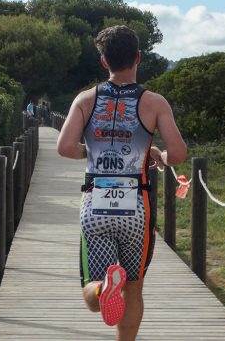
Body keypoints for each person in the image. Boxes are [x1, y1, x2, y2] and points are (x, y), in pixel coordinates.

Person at [57, 25, 186, 340]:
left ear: (104, 62)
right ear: (138, 58)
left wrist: (92, 151)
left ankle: (102, 288)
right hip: (137, 209)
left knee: (92, 288)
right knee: (134, 289)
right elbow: (178, 154)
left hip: (95, 205)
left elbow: (64, 147)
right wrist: (157, 154)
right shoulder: (155, 103)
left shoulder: (86, 100)